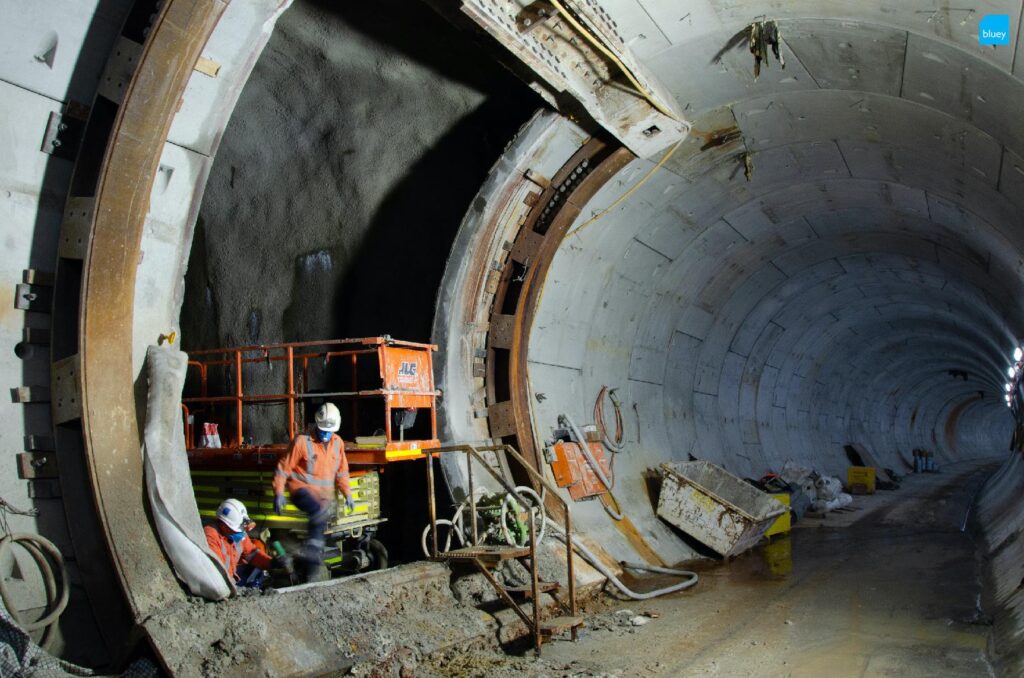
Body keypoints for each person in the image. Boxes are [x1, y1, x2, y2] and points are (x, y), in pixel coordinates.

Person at [273, 402, 354, 581]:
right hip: (300, 490)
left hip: (323, 497)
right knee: (318, 514)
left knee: (320, 520)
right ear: (316, 425)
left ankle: (310, 557)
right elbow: (284, 467)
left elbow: (342, 471)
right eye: (322, 430)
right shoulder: (302, 442)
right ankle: (311, 556)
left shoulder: (338, 444)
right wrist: (279, 492)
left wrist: (347, 493)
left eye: (329, 431)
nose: (325, 434)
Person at [204, 498, 278, 588]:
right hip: (220, 581)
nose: (242, 533)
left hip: (231, 576)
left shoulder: (238, 534)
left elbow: (252, 554)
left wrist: (272, 563)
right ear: (224, 526)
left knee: (256, 570)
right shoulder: (211, 536)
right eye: (238, 530)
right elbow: (217, 569)